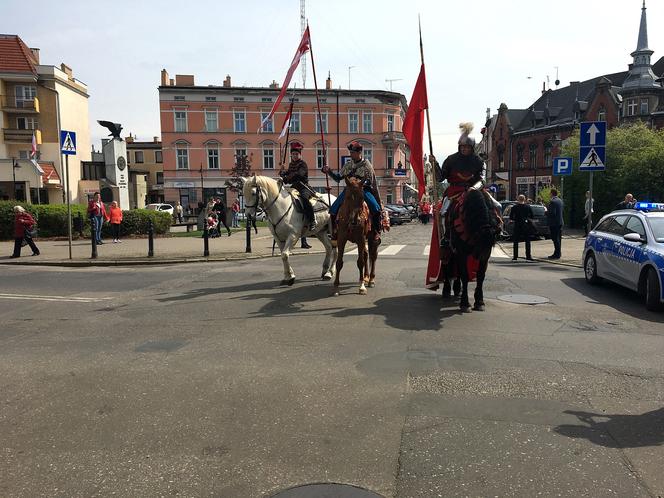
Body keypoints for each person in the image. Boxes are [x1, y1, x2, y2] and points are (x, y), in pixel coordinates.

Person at [431, 122, 486, 247]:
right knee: (443, 213)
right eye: (463, 147)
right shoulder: (451, 160)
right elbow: (440, 178)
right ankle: (446, 237)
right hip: (454, 192)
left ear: (472, 147)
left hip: (474, 191)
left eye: (467, 147)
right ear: (459, 147)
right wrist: (435, 164)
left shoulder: (478, 161)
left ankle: (494, 230)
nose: (465, 149)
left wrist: (474, 188)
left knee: (496, 206)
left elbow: (482, 179)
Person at [322, 141, 383, 242]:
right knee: (333, 209)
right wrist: (329, 171)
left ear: (359, 153)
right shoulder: (348, 165)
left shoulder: (366, 165)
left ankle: (376, 231)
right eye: (350, 152)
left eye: (353, 153)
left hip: (363, 190)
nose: (351, 155)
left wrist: (359, 182)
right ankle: (335, 231)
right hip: (349, 190)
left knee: (375, 208)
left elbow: (370, 181)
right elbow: (338, 178)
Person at [279, 141, 317, 230]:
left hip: (303, 186)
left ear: (300, 154)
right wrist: (282, 172)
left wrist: (285, 178)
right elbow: (287, 174)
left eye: (296, 154)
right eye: (293, 154)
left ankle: (312, 220)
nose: (295, 156)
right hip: (294, 187)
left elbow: (298, 175)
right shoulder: (291, 164)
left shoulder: (303, 164)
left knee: (304, 199)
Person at [509, 195, 534, 261]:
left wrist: (515, 219)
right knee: (527, 241)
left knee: (516, 241)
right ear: (524, 199)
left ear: (518, 199)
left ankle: (515, 257)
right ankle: (528, 256)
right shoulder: (528, 207)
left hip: (517, 225)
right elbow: (532, 216)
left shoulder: (514, 207)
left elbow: (511, 217)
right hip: (526, 226)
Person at [546, 188, 564, 259]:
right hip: (560, 222)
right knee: (558, 238)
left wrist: (546, 212)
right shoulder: (560, 201)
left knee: (555, 239)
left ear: (552, 193)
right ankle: (558, 253)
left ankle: (557, 254)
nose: (549, 194)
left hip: (554, 223)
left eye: (550, 193)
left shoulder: (552, 202)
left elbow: (552, 213)